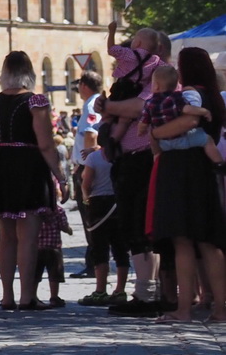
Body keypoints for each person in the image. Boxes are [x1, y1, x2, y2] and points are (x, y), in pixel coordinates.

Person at [0, 51, 67, 311]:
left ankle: (7, 296)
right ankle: (27, 296)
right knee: (28, 237)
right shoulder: (35, 101)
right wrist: (61, 176)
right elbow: (46, 144)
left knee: (6, 236)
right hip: (28, 165)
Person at [146, 47, 226, 323]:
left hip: (180, 169)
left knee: (183, 241)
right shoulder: (214, 95)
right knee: (208, 241)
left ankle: (183, 308)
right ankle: (220, 308)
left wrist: (155, 132)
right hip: (203, 169)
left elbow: (188, 121)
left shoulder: (189, 93)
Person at [101, 25, 163, 316]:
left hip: (141, 159)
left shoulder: (159, 76)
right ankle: (147, 291)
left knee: (139, 227)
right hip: (130, 158)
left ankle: (146, 294)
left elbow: (140, 107)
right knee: (136, 227)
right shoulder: (149, 70)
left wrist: (111, 106)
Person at [77, 131, 129, 307]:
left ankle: (100, 290)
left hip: (99, 204)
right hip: (120, 202)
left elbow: (86, 184)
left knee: (100, 247)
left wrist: (85, 199)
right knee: (120, 248)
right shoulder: (122, 155)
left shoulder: (94, 158)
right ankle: (120, 289)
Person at [141, 63, 225, 167]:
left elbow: (144, 122)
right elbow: (187, 110)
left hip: (163, 143)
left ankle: (157, 165)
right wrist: (204, 111)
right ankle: (219, 164)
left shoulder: (149, 103)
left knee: (157, 153)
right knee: (207, 140)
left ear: (156, 86)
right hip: (181, 139)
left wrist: (142, 130)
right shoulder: (177, 98)